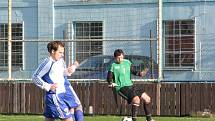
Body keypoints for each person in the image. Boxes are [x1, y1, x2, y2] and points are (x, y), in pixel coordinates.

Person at [32, 41, 84, 121]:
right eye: (60, 52)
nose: (62, 55)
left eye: (63, 52)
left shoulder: (61, 61)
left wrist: (68, 70)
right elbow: (35, 77)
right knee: (68, 119)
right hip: (55, 95)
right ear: (53, 51)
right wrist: (48, 86)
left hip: (62, 91)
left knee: (50, 118)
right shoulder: (48, 62)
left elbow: (61, 73)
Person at [107, 49, 154, 121]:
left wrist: (139, 73)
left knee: (147, 99)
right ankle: (133, 119)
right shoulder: (113, 65)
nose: (120, 59)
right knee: (136, 100)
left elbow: (133, 71)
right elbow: (109, 77)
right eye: (118, 57)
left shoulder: (127, 62)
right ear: (115, 57)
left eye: (121, 57)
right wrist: (111, 83)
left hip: (130, 85)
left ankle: (149, 119)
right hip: (121, 87)